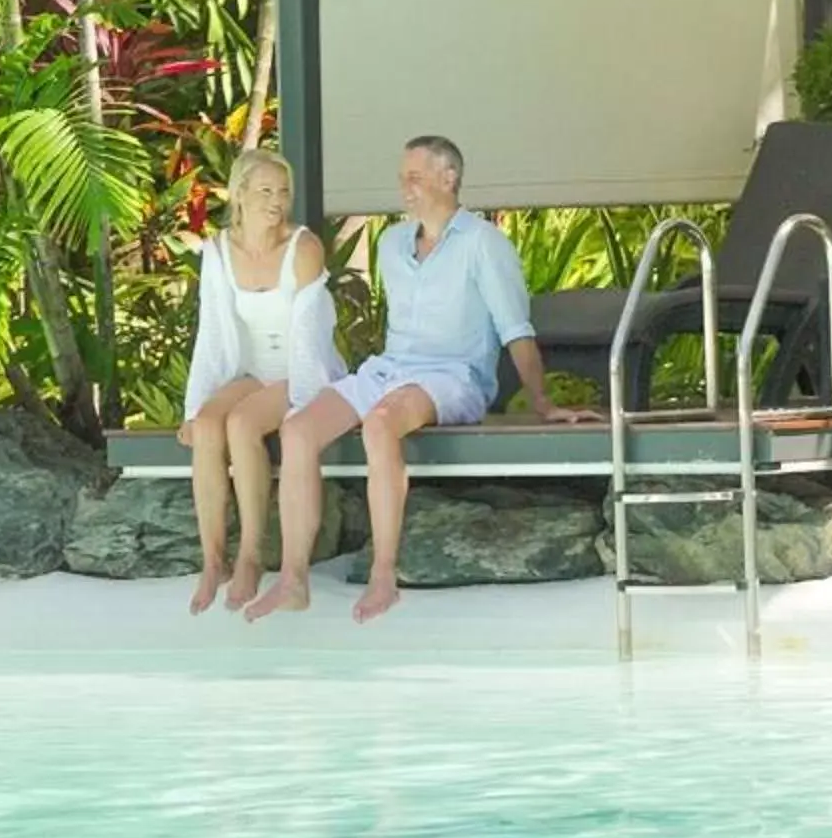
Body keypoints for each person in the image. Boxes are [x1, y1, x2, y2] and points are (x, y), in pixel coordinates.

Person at [246, 135, 594, 625]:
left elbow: (515, 329)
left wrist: (542, 402)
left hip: (454, 376)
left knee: (381, 423)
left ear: (448, 178)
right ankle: (293, 579)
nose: (404, 189)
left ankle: (383, 574)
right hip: (391, 368)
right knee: (297, 429)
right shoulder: (391, 244)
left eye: (415, 177)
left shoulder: (483, 244)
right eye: (402, 178)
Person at [176, 149, 339, 613]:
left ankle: (250, 554)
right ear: (240, 194)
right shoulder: (219, 251)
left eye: (284, 191)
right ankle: (212, 561)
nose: (277, 200)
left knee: (244, 425)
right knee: (208, 425)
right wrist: (192, 409)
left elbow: (310, 341)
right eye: (266, 190)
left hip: (300, 372)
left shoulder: (303, 248)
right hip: (251, 371)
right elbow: (212, 335)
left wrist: (306, 406)